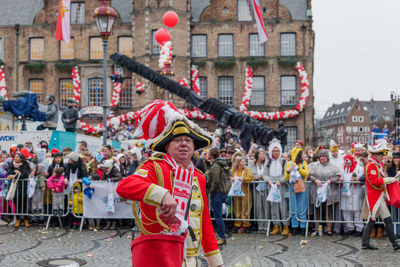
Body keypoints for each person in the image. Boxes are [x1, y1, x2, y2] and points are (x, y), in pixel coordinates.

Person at [116, 100, 223, 267]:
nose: (183, 144)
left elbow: (204, 222)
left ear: (194, 146)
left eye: (188, 140)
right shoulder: (154, 167)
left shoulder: (199, 176)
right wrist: (163, 195)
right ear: (167, 146)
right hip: (160, 257)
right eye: (177, 140)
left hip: (190, 261)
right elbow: (124, 186)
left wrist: (216, 263)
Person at [361, 140, 400, 250]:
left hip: (379, 195)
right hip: (374, 196)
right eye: (381, 154)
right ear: (376, 154)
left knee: (386, 219)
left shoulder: (376, 165)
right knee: (373, 218)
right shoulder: (371, 165)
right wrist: (388, 180)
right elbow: (374, 181)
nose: (383, 156)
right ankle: (365, 242)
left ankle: (395, 244)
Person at [308, 149, 341, 236]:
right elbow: (310, 175)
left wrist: (331, 180)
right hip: (317, 191)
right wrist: (315, 180)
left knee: (329, 210)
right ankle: (317, 228)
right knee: (317, 211)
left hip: (330, 192)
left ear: (327, 157)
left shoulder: (333, 166)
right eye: (321, 157)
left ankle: (329, 229)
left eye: (324, 157)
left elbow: (338, 175)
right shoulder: (314, 166)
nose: (323, 158)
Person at [284, 140, 309, 236]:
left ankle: (303, 227)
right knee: (293, 208)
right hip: (292, 189)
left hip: (302, 188)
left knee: (302, 208)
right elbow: (286, 178)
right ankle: (294, 227)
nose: (303, 155)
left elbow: (307, 173)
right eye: (301, 153)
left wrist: (299, 169)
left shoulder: (303, 163)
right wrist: (288, 171)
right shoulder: (289, 163)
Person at [266, 140, 290, 236]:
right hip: (271, 186)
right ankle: (276, 225)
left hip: (281, 186)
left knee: (283, 206)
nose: (275, 152)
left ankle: (285, 225)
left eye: (277, 151)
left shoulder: (284, 161)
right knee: (273, 207)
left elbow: (286, 174)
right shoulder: (268, 162)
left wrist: (281, 181)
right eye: (274, 151)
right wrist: (268, 180)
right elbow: (265, 174)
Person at [206, 147, 229, 245]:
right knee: (218, 215)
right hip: (219, 192)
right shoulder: (217, 164)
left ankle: (221, 237)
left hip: (217, 193)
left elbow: (215, 181)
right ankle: (221, 235)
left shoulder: (215, 165)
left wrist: (211, 191)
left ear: (212, 154)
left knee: (218, 216)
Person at [339, 154, 364, 236]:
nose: (347, 165)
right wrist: (340, 180)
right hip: (345, 193)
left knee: (357, 211)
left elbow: (361, 179)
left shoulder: (359, 169)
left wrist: (356, 180)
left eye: (348, 163)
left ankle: (359, 229)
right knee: (346, 211)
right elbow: (340, 178)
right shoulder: (342, 169)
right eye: (346, 163)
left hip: (355, 192)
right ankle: (350, 228)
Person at [7, 152, 31, 228]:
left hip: (24, 188)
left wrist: (15, 175)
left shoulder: (25, 165)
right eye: (15, 157)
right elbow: (8, 174)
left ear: (21, 158)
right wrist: (14, 172)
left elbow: (25, 175)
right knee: (16, 204)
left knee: (24, 204)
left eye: (17, 157)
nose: (15, 158)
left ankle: (26, 219)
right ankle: (18, 220)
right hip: (15, 188)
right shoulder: (12, 165)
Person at [231, 156, 254, 234]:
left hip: (245, 192)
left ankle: (246, 224)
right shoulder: (233, 170)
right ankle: (237, 224)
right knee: (237, 208)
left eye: (244, 162)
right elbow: (228, 177)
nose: (244, 163)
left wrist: (243, 179)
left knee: (246, 208)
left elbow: (251, 177)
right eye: (242, 162)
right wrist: (232, 179)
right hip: (236, 192)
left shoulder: (247, 169)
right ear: (238, 163)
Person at [248, 150, 268, 233]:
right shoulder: (252, 164)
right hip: (256, 188)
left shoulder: (267, 163)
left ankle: (267, 226)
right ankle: (260, 226)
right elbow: (249, 174)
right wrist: (257, 176)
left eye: (264, 154)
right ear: (257, 155)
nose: (263, 155)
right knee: (258, 207)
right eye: (261, 154)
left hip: (266, 188)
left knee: (266, 206)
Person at [385, 151, 400, 238]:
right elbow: (390, 179)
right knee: (394, 213)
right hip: (394, 192)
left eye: (397, 158)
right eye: (394, 158)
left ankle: (399, 232)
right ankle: (394, 232)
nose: (396, 160)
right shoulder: (390, 168)